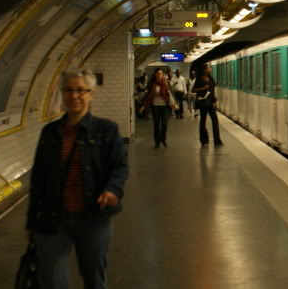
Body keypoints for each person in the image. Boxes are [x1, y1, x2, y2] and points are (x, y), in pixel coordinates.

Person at [26, 69, 129, 289]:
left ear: (91, 94)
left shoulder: (107, 130)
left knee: (94, 277)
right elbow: (38, 179)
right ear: (62, 94)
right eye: (69, 90)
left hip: (93, 217)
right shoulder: (50, 132)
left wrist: (112, 190)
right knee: (53, 280)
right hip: (53, 217)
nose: (74, 96)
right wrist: (31, 221)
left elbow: (119, 167)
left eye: (81, 90)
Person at [139, 68, 178, 147]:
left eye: (161, 74)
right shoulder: (152, 84)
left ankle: (163, 139)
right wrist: (143, 106)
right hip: (155, 107)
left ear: (163, 75)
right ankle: (157, 142)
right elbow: (148, 96)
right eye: (158, 74)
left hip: (165, 107)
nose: (160, 75)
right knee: (156, 124)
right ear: (155, 75)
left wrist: (174, 104)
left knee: (164, 124)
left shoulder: (166, 83)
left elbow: (170, 94)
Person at [192, 64, 222, 147]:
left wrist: (215, 102)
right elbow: (193, 89)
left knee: (215, 121)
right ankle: (204, 141)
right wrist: (203, 88)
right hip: (203, 103)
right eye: (209, 68)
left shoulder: (211, 79)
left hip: (210, 102)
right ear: (204, 70)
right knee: (203, 121)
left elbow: (212, 91)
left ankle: (217, 141)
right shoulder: (199, 79)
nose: (210, 69)